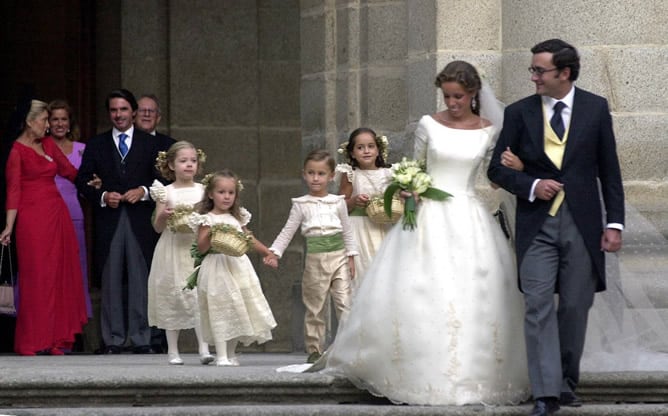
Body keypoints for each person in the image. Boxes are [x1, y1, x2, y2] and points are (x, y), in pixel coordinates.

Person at [320, 61, 530, 405]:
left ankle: (477, 374)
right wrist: (408, 188)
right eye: (446, 95)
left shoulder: (488, 130)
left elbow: (493, 177)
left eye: (458, 96)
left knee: (476, 291)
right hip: (429, 216)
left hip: (469, 217)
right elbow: (416, 170)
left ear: (473, 94)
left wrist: (518, 167)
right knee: (421, 288)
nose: (452, 102)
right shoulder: (429, 125)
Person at [487, 39, 625, 416]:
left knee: (576, 306)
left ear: (564, 73)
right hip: (537, 225)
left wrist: (614, 223)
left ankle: (565, 382)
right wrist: (531, 184)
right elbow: (495, 169)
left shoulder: (595, 108)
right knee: (537, 303)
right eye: (532, 70)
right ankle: (545, 392)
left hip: (582, 223)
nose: (533, 77)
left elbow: (609, 171)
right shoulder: (519, 113)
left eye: (539, 71)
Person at [75, 89, 164, 354]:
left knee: (141, 278)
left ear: (133, 112)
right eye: (114, 110)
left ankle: (141, 338)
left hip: (140, 220)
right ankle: (112, 339)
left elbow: (164, 180)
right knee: (111, 278)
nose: (119, 115)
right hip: (110, 219)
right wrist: (102, 195)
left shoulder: (150, 144)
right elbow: (82, 180)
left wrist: (144, 191)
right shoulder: (97, 144)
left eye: (123, 110)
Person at [1, 99, 88, 355]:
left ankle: (54, 339)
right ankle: (32, 341)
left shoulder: (48, 144)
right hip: (32, 220)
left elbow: (71, 171)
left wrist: (96, 182)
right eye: (44, 121)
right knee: (36, 278)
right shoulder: (16, 151)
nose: (48, 126)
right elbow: (13, 190)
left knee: (56, 277)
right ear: (30, 122)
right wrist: (9, 226)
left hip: (57, 216)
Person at [265, 150, 358, 364]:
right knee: (315, 306)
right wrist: (274, 252)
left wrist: (351, 256)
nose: (316, 178)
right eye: (311, 173)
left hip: (339, 257)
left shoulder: (338, 202)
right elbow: (288, 230)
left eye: (321, 174)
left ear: (331, 176)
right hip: (315, 259)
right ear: (304, 175)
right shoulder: (301, 204)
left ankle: (350, 346)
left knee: (344, 303)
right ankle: (315, 349)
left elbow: (347, 230)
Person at [190, 169, 277, 366]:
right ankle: (220, 354)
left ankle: (231, 353)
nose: (226, 196)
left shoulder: (238, 217)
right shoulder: (207, 219)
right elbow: (202, 247)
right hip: (216, 266)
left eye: (231, 192)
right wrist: (211, 234)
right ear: (211, 194)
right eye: (221, 192)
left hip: (237, 265)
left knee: (238, 307)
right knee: (221, 307)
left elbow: (249, 239)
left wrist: (267, 252)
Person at [147, 141, 214, 365]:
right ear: (172, 165)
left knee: (199, 296)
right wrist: (164, 215)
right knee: (173, 296)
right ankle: (173, 351)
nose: (189, 165)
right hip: (172, 248)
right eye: (183, 161)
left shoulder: (203, 191)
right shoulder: (165, 192)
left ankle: (204, 348)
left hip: (195, 248)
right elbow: (157, 227)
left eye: (193, 161)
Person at [47, 99, 93, 319]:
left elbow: (87, 184)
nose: (59, 124)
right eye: (54, 119)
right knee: (48, 271)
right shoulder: (40, 147)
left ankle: (72, 326)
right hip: (45, 216)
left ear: (69, 122)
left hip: (73, 214)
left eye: (63, 119)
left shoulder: (82, 150)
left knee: (74, 271)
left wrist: (95, 186)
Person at [335, 129, 393, 284]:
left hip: (384, 228)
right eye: (360, 147)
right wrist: (353, 202)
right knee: (364, 274)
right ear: (352, 153)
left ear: (378, 150)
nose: (366, 151)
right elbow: (339, 205)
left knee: (385, 276)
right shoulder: (350, 174)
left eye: (370, 146)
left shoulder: (389, 173)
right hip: (360, 231)